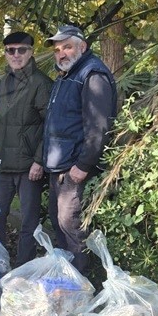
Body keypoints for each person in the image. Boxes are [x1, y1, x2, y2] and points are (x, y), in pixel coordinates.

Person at [43, 25, 117, 274]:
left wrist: (83, 165)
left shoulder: (92, 74)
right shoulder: (65, 75)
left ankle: (83, 286)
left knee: (71, 226)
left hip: (74, 168)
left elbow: (99, 125)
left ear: (82, 47)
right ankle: (70, 285)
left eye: (67, 47)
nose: (61, 53)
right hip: (59, 166)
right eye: (57, 49)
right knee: (60, 223)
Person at [0, 31, 52, 267]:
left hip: (28, 168)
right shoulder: (1, 82)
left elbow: (50, 126)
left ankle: (24, 271)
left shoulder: (41, 83)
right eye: (10, 50)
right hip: (1, 166)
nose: (16, 55)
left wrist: (39, 160)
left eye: (21, 50)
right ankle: (0, 267)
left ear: (31, 52)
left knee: (28, 223)